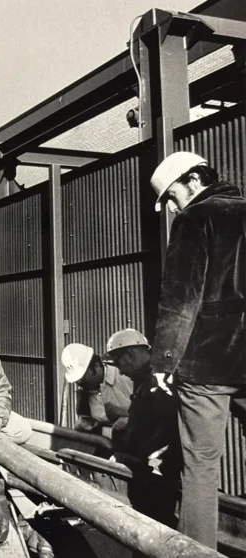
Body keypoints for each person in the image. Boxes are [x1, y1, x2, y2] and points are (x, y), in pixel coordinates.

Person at [148, 151, 246, 547]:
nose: (171, 208)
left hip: (207, 365)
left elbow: (181, 296)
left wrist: (165, 360)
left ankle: (197, 554)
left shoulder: (195, 219)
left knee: (201, 467)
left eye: (171, 196)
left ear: (193, 180)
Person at [104, 328, 180, 527]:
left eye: (118, 362)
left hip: (158, 475)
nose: (119, 371)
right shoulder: (148, 379)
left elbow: (167, 432)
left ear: (130, 355)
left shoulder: (158, 380)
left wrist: (136, 460)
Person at [61, 343, 133, 439]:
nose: (78, 382)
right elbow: (86, 422)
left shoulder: (126, 378)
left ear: (96, 366)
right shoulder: (86, 390)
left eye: (82, 376)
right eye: (76, 379)